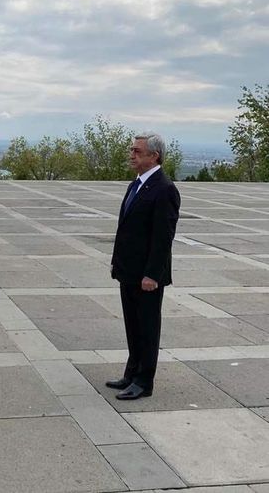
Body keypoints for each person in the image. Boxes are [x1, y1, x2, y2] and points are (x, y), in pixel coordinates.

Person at [107, 132, 180, 400]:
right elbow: (126, 229)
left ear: (154, 155)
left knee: (147, 328)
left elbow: (163, 238)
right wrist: (117, 263)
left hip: (147, 276)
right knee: (132, 324)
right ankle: (131, 372)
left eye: (137, 151)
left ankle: (144, 381)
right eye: (132, 149)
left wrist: (152, 274)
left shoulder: (164, 189)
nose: (132, 154)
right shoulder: (135, 185)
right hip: (128, 271)